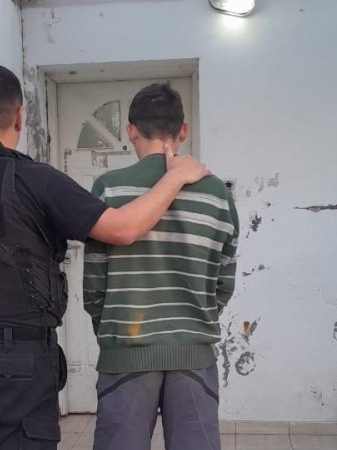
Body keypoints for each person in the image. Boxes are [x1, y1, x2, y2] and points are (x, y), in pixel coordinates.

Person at [0, 65, 210, 450]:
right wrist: (175, 177)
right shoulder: (35, 180)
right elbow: (123, 229)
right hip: (18, 362)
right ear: (19, 116)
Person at [83, 83, 239, 450]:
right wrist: (193, 322)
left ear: (130, 130)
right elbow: (224, 282)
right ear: (182, 130)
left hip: (126, 351)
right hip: (194, 353)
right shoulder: (217, 194)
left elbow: (94, 287)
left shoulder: (109, 188)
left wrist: (114, 333)